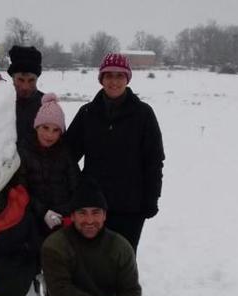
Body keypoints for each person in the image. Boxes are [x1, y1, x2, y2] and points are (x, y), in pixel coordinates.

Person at [64, 52, 165, 251]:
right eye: (109, 75)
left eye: (120, 76)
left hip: (131, 206)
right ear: (101, 79)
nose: (114, 81)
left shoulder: (143, 114)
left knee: (122, 260)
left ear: (127, 79)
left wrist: (151, 198)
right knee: (90, 259)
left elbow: (153, 161)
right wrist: (78, 188)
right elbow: (67, 155)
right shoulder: (87, 113)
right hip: (92, 207)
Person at [18, 93, 80, 239]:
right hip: (33, 218)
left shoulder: (65, 153)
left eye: (56, 130)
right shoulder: (24, 152)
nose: (49, 135)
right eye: (45, 128)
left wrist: (64, 212)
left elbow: (76, 185)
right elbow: (21, 189)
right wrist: (44, 212)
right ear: (37, 126)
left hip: (63, 218)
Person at [7, 45, 44, 147]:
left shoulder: (47, 106)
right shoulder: (0, 103)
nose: (25, 87)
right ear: (13, 77)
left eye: (31, 80)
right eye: (20, 80)